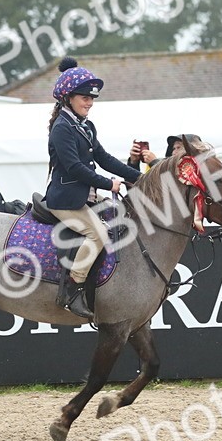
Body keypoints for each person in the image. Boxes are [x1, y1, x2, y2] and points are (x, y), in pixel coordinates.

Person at [45, 57, 141, 319]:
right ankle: (73, 291)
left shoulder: (84, 126)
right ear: (68, 98)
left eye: (91, 98)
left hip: (83, 197)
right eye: (84, 97)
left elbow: (104, 158)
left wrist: (139, 178)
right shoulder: (62, 128)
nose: (89, 102)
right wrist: (109, 183)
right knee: (98, 234)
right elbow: (76, 168)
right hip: (65, 200)